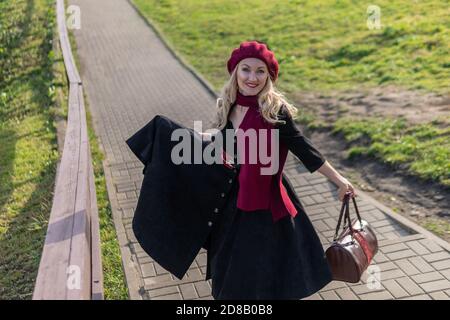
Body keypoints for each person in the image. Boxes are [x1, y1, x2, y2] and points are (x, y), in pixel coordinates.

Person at [126, 40, 357, 300]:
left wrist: (340, 181)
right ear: (235, 71)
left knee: (260, 277)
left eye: (260, 71)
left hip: (266, 210)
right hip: (232, 206)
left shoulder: (274, 112)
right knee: (228, 273)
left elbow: (306, 151)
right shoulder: (230, 105)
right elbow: (223, 141)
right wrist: (196, 137)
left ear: (269, 77)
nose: (252, 77)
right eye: (246, 69)